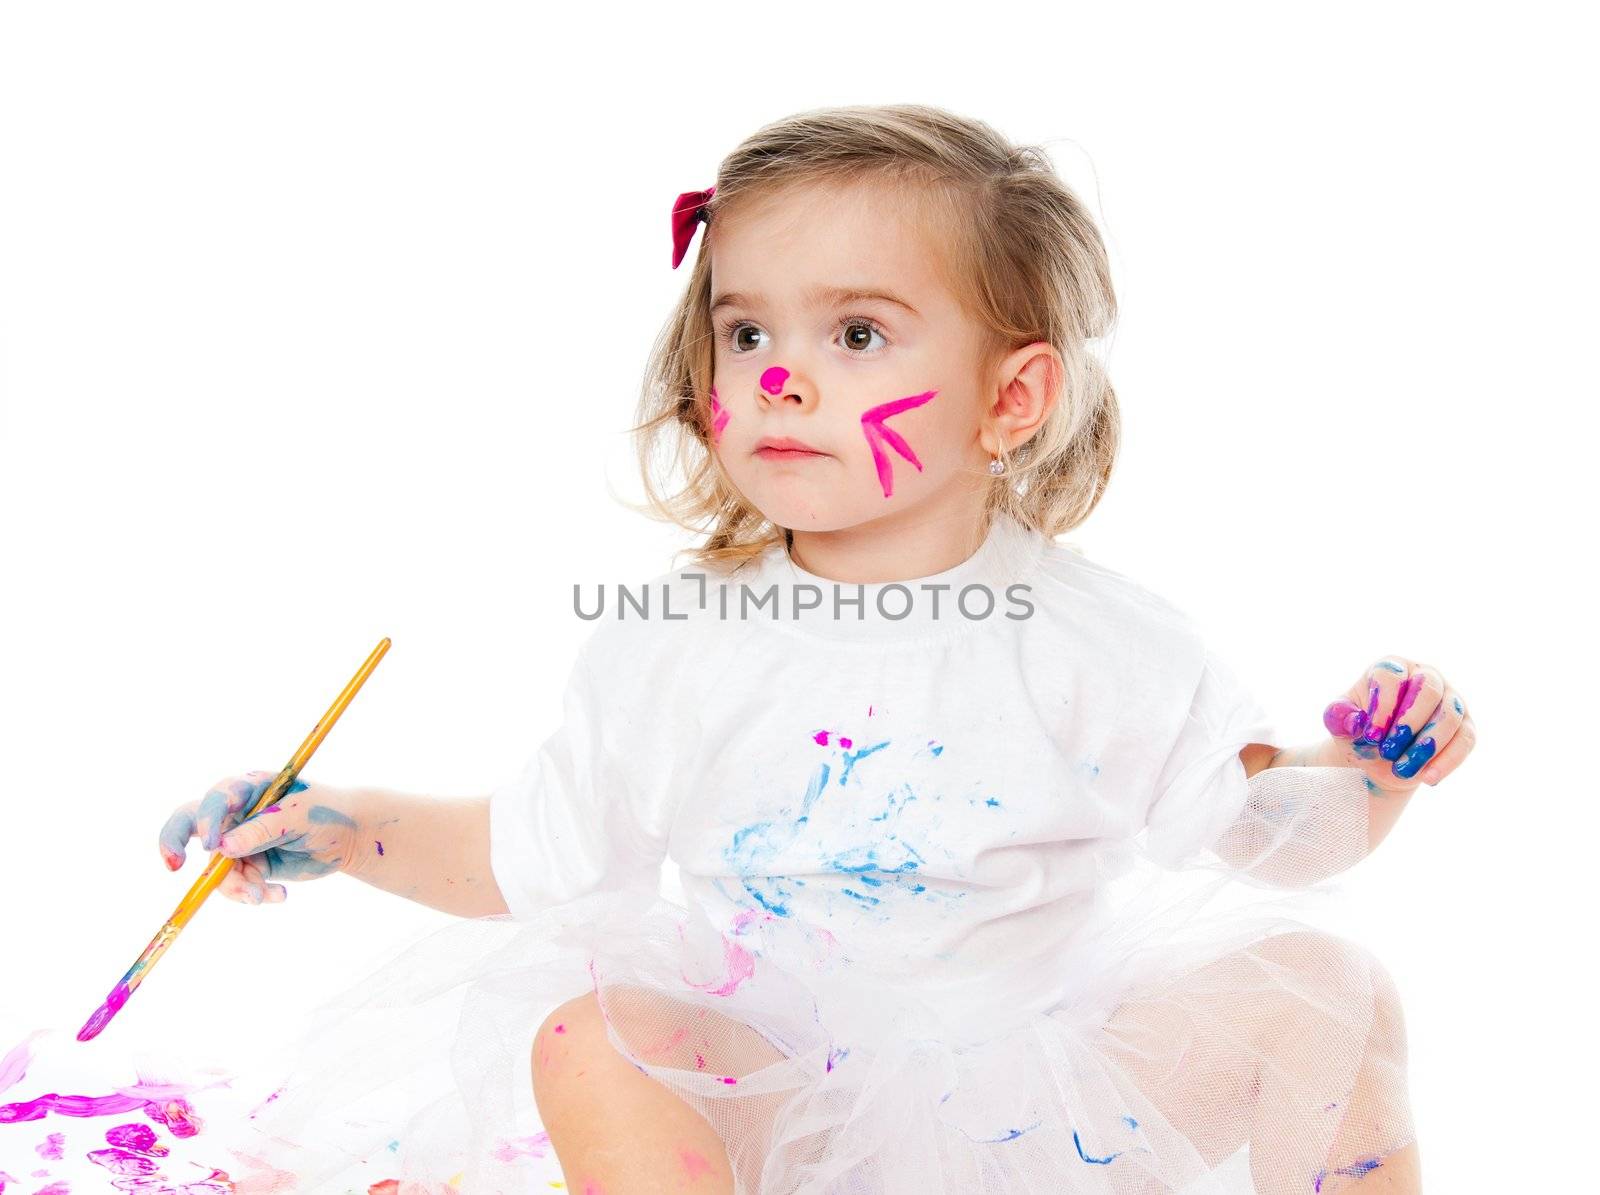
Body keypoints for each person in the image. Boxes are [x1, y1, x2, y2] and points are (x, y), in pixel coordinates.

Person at [173, 103, 1474, 1193]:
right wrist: (347, 829)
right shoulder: (675, 646)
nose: (784, 377)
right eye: (749, 333)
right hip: (771, 1092)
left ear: (1011, 400)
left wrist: (1373, 767)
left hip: (1043, 1104)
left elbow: (1270, 837)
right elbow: (535, 853)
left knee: (1326, 986)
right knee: (591, 1035)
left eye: (854, 334)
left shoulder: (1100, 645)